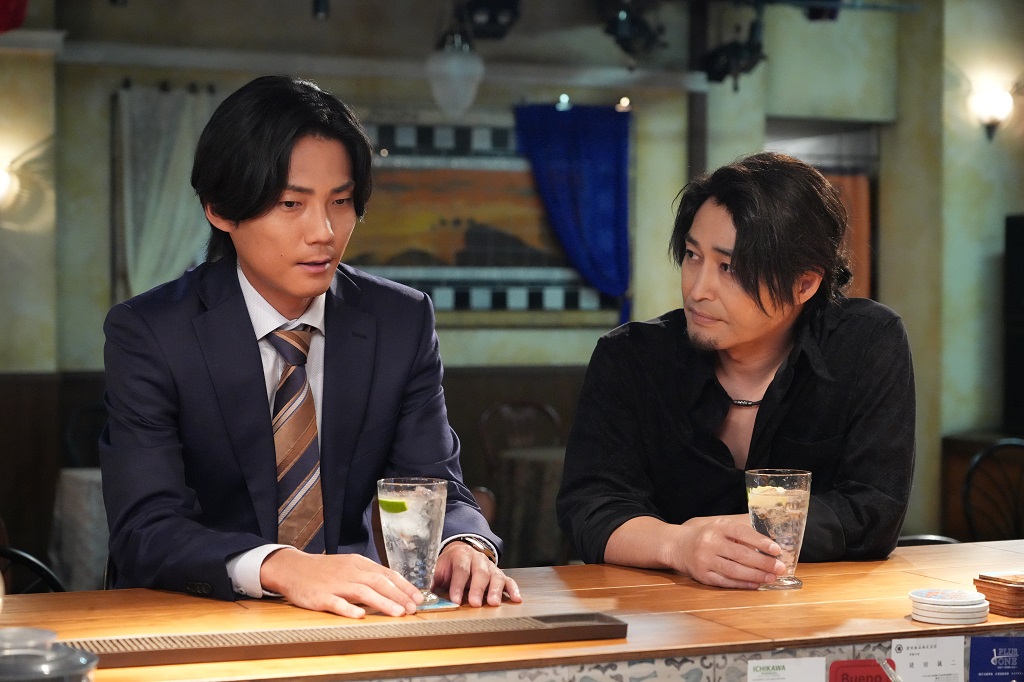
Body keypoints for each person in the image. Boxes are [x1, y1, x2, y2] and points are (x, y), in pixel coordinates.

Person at [100, 75, 521, 618]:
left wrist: (461, 544)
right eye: (290, 203)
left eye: (340, 201)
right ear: (220, 209)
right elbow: (145, 528)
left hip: (360, 617)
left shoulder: (399, 320)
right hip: (196, 616)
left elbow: (433, 483)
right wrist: (282, 566)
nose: (323, 231)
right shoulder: (152, 332)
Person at [556, 152, 915, 590]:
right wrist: (680, 545)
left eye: (729, 267)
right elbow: (590, 506)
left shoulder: (865, 343)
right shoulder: (632, 358)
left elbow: (874, 509)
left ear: (804, 283)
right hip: (662, 607)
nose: (698, 289)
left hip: (821, 604)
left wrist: (729, 538)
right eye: (692, 256)